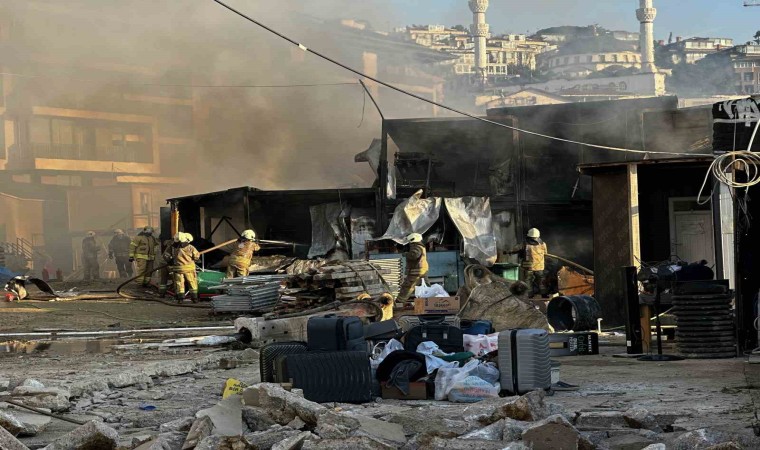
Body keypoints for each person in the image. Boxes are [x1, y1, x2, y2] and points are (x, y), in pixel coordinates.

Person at [509, 228, 548, 298]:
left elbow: (515, 249)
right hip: (539, 266)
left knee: (528, 281)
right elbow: (545, 254)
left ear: (529, 236)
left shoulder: (525, 244)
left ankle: (529, 295)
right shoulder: (543, 244)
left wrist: (510, 252)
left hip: (529, 267)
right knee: (541, 280)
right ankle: (544, 294)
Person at [163, 232, 200, 303]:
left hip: (178, 268)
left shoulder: (172, 247)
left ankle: (180, 299)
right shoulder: (190, 247)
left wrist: (170, 261)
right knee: (192, 282)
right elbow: (196, 257)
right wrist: (196, 259)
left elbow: (166, 256)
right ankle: (195, 298)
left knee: (179, 283)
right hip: (189, 268)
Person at [396, 232, 429, 304]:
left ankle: (399, 302)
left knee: (408, 286)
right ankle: (431, 300)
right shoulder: (421, 246)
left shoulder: (416, 246)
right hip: (422, 269)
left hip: (416, 270)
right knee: (426, 286)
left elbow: (415, 255)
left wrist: (406, 254)